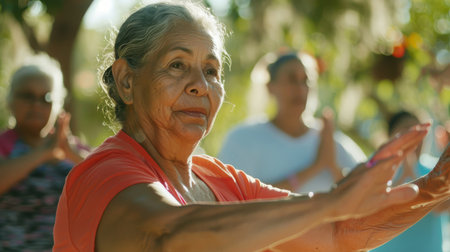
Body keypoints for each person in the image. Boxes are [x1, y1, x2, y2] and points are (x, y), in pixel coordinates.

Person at [53, 2, 450, 251]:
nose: (200, 85)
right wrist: (328, 202)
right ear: (126, 81)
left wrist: (436, 186)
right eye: (177, 65)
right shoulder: (103, 172)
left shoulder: (217, 178)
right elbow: (165, 237)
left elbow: (337, 234)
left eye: (211, 70)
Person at [219, 52, 366, 193]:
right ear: (270, 87)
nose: (300, 88)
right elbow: (234, 200)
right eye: (292, 79)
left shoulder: (330, 141)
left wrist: (332, 165)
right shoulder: (244, 139)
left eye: (305, 81)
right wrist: (316, 167)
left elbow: (364, 193)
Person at [0, 54, 89, 250]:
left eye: (46, 98)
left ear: (57, 105)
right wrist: (42, 153)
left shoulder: (74, 148)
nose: (36, 105)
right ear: (10, 99)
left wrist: (72, 154)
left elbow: (108, 181)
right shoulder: (3, 145)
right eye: (27, 96)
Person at [372, 111, 449, 252]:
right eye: (407, 130)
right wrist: (404, 175)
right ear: (391, 136)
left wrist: (413, 172)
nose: (415, 137)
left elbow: (442, 207)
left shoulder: (436, 168)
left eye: (420, 131)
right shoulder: (376, 168)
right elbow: (371, 207)